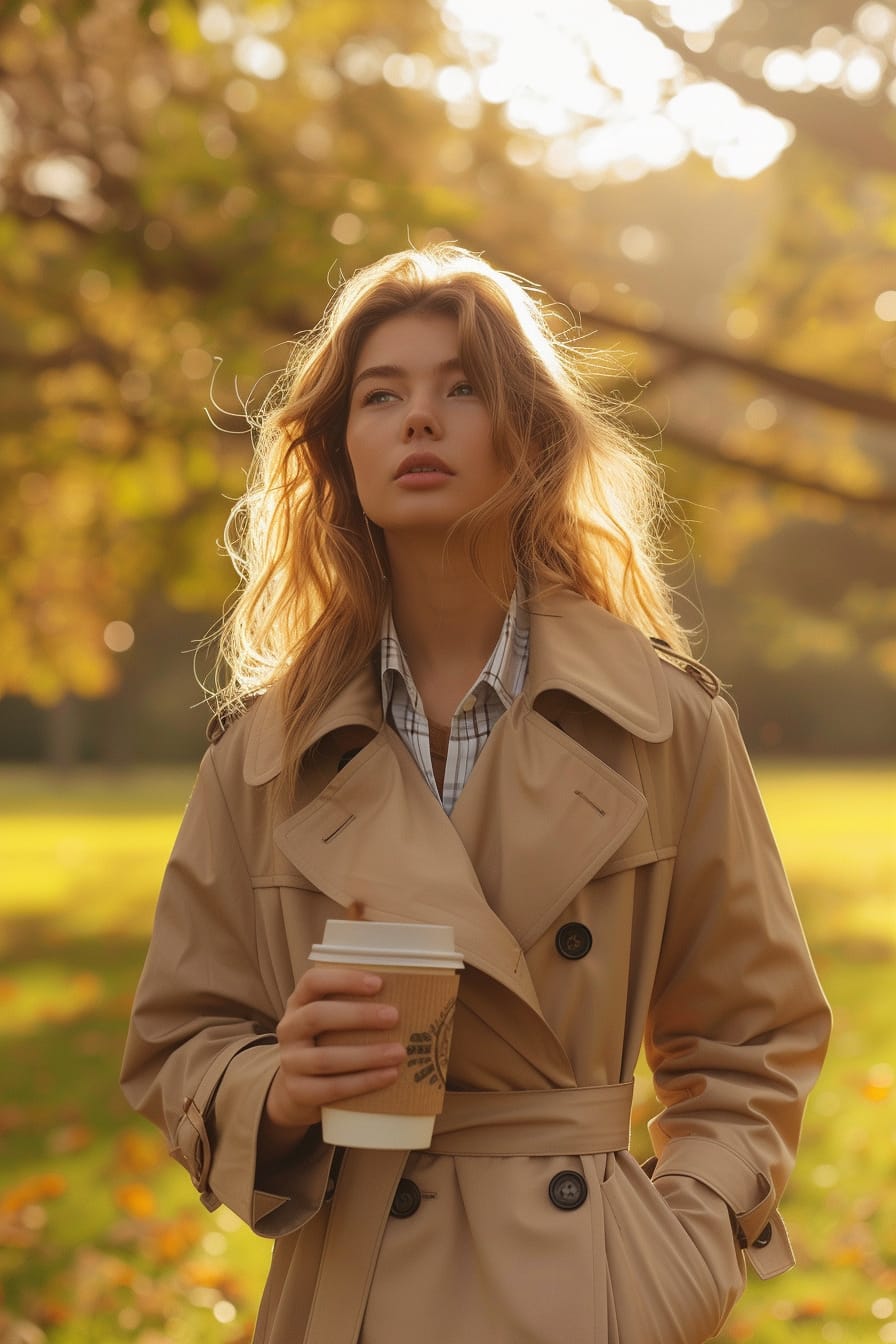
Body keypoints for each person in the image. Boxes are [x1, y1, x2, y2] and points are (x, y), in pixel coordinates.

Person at [121, 244, 831, 1344]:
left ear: (530, 434)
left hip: (591, 1286)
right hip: (351, 1289)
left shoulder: (663, 719)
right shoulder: (262, 751)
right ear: (338, 449)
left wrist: (684, 1239)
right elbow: (181, 1039)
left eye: (461, 387)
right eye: (380, 394)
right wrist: (281, 1085)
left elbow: (752, 1035)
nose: (419, 418)